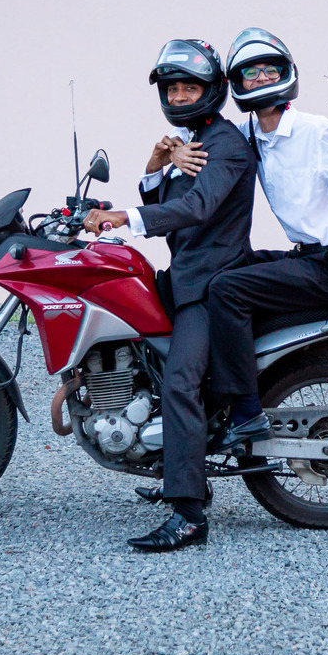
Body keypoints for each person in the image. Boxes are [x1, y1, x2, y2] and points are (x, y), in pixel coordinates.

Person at [159, 28, 328, 453]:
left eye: (270, 69)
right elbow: (205, 144)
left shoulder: (315, 130)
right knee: (228, 269)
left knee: (228, 288)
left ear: (286, 73)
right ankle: (218, 388)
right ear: (237, 82)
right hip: (306, 257)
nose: (261, 77)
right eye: (251, 72)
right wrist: (173, 153)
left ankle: (245, 412)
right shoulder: (248, 133)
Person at [82, 38, 256, 552]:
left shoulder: (224, 145)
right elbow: (167, 197)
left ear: (212, 89)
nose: (178, 96)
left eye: (188, 88)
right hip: (184, 275)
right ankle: (178, 462)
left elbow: (196, 207)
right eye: (172, 88)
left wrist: (124, 218)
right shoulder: (191, 140)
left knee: (180, 382)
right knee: (145, 356)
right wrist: (156, 163)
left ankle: (189, 516)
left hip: (210, 282)